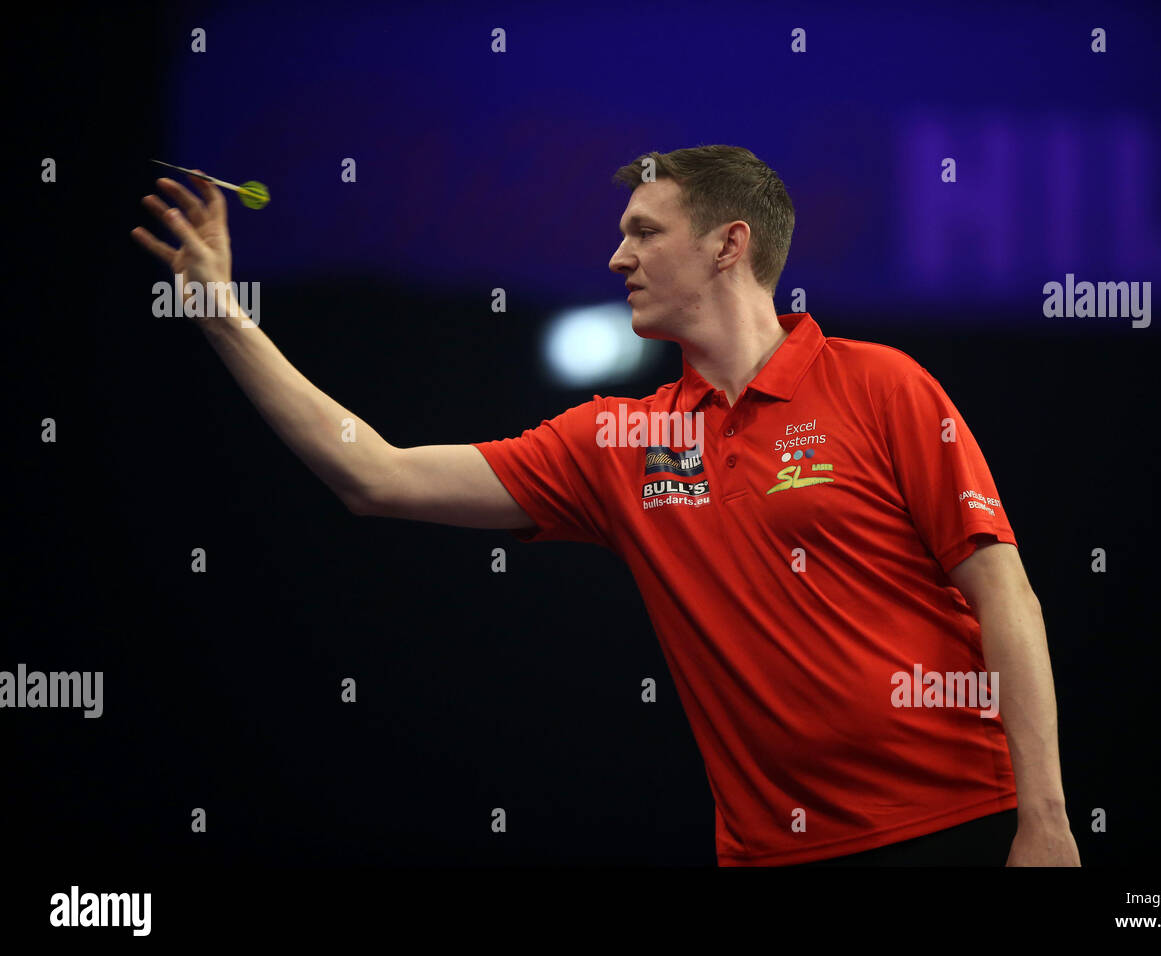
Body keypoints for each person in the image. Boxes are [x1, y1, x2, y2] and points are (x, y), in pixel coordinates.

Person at [131, 144, 1080, 868]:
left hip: (961, 825)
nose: (614, 255)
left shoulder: (883, 385)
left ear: (727, 245)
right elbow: (374, 474)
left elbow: (1006, 598)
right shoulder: (622, 442)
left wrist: (1044, 819)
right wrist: (221, 313)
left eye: (644, 231)